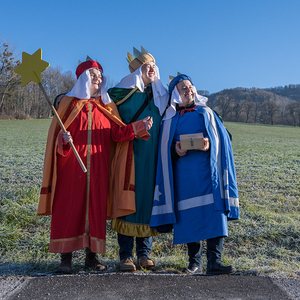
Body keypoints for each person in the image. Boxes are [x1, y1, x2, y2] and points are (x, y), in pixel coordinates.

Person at [37, 59, 153, 274]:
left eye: (100, 75)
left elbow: (117, 134)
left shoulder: (106, 105)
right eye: (93, 75)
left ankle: (92, 257)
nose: (98, 78)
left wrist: (138, 128)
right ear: (82, 78)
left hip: (99, 168)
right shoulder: (68, 104)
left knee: (95, 210)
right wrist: (62, 140)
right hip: (70, 167)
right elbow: (54, 139)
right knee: (69, 208)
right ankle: (66, 259)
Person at [150, 74, 239, 274]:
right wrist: (175, 150)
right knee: (189, 217)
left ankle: (214, 262)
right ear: (175, 94)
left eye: (190, 86)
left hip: (209, 175)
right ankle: (194, 263)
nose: (188, 90)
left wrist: (210, 143)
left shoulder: (206, 112)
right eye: (183, 88)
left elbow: (224, 139)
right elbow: (164, 150)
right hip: (184, 177)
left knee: (214, 215)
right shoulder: (169, 118)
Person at [108, 46, 169, 271]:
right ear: (137, 71)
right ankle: (125, 255)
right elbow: (93, 99)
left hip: (152, 157)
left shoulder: (161, 96)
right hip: (129, 155)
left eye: (154, 65)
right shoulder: (119, 94)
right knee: (127, 201)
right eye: (146, 66)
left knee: (147, 201)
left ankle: (144, 254)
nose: (151, 69)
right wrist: (60, 98)